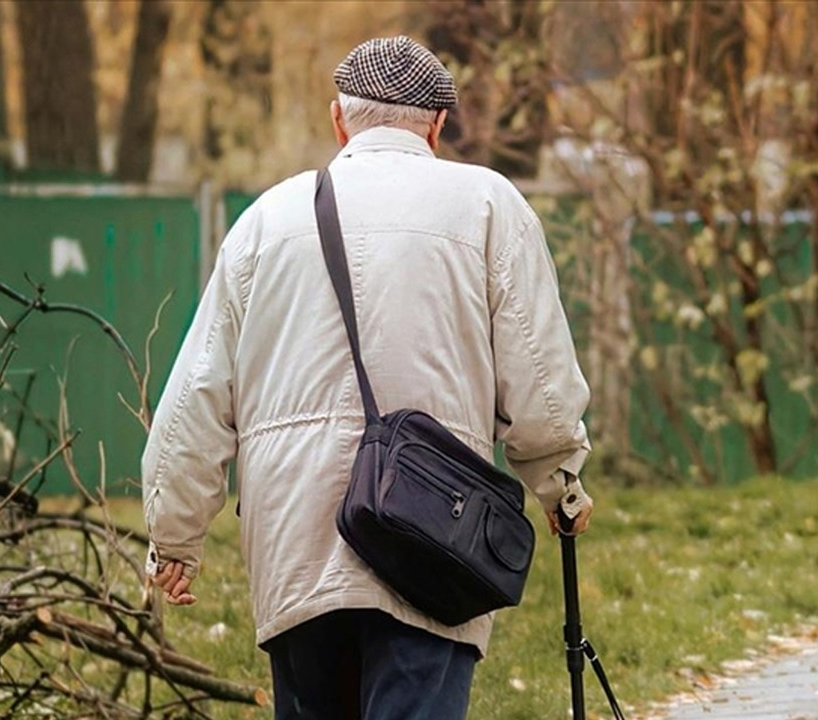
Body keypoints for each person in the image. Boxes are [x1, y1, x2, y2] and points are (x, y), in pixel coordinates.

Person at [142, 35, 593, 720]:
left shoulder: (266, 220)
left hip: (295, 540)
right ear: (437, 124)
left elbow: (199, 393)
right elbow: (538, 372)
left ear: (339, 120)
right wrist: (560, 484)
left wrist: (175, 534)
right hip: (433, 533)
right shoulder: (486, 205)